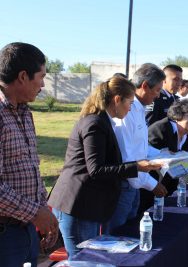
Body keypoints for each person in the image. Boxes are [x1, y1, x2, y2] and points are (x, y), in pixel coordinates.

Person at [48, 77, 161, 258]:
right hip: (78, 205)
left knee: (91, 258)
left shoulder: (104, 121)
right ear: (117, 99)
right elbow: (97, 169)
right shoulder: (95, 123)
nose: (131, 108)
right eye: (130, 103)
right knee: (84, 260)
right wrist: (136, 167)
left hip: (87, 204)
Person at [0, 42, 59, 267]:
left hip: (25, 229)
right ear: (23, 76)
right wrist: (36, 213)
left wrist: (43, 212)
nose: (43, 85)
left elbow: (31, 168)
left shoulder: (24, 112)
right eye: (41, 76)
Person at [107, 64, 168, 234]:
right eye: (157, 90)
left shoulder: (138, 109)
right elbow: (127, 156)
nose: (158, 96)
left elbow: (140, 147)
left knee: (129, 232)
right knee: (117, 236)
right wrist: (152, 184)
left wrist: (165, 156)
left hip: (135, 183)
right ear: (144, 86)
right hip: (126, 183)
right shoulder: (127, 112)